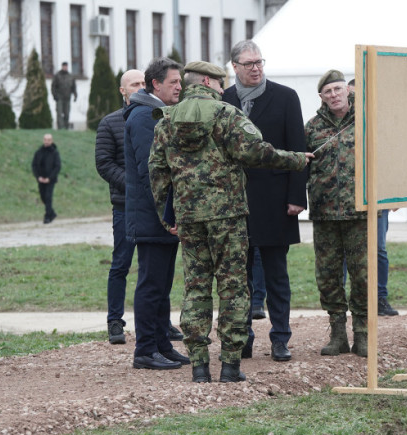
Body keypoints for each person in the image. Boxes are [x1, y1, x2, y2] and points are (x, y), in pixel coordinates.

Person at [148, 61, 312, 383]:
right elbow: (257, 153)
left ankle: (197, 365)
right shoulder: (227, 114)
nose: (224, 90)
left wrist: (168, 218)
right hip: (228, 216)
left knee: (195, 288)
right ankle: (230, 365)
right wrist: (295, 159)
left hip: (190, 217)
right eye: (221, 84)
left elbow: (157, 173)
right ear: (208, 82)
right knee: (233, 287)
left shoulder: (166, 120)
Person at [222, 40, 308, 362]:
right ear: (235, 67)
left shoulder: (285, 97)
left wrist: (297, 197)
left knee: (276, 275)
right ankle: (242, 338)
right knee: (237, 276)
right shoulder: (224, 99)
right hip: (235, 203)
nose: (256, 68)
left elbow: (298, 148)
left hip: (275, 201)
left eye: (260, 62)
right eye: (249, 64)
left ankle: (280, 339)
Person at [124, 57, 188, 371]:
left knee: (162, 286)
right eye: (174, 82)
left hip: (162, 216)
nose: (180, 87)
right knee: (151, 285)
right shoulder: (143, 117)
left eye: (180, 81)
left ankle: (163, 344)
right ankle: (145, 350)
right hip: (153, 218)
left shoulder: (158, 113)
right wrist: (168, 216)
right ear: (155, 85)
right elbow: (151, 173)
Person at [305, 70, 369, 357]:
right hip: (325, 213)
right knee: (328, 276)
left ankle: (364, 334)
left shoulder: (367, 120)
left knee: (363, 275)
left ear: (348, 91)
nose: (334, 95)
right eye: (328, 91)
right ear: (321, 96)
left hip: (360, 212)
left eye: (338, 89)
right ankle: (338, 334)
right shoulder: (312, 128)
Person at [95, 70, 145, 344]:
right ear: (122, 91)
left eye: (142, 83)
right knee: (121, 263)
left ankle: (158, 321)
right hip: (125, 204)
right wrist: (133, 185)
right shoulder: (110, 123)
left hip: (155, 204)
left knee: (156, 267)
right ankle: (115, 321)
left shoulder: (157, 117)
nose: (139, 88)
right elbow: (104, 163)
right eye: (133, 84)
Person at [346, 78, 399, 317]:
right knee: (347, 251)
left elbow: (391, 158)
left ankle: (380, 298)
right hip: (346, 197)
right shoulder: (342, 125)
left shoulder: (380, 125)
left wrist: (393, 193)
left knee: (378, 249)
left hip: (377, 196)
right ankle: (348, 302)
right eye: (353, 96)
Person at [32, 133, 60, 224]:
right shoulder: (39, 152)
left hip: (50, 180)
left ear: (52, 141)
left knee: (48, 197)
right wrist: (38, 177)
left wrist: (50, 178)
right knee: (43, 197)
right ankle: (52, 213)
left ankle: (47, 216)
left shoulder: (55, 153)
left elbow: (57, 166)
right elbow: (34, 165)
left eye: (48, 140)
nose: (47, 141)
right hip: (40, 179)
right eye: (45, 139)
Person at [51, 62, 77, 130]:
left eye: (66, 66)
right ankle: (60, 127)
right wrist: (54, 95)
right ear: (62, 66)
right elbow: (53, 86)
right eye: (64, 66)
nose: (65, 67)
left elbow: (73, 87)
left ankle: (66, 127)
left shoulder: (70, 76)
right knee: (59, 113)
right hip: (59, 97)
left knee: (67, 113)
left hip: (67, 97)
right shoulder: (57, 75)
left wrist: (75, 95)